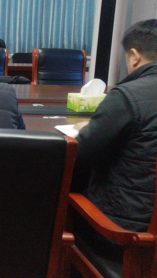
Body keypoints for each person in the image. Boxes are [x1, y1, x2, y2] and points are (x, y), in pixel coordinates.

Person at [71, 19, 157, 265]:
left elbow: (81, 154)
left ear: (134, 56)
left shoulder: (128, 96)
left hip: (126, 236)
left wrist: (88, 129)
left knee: (68, 190)